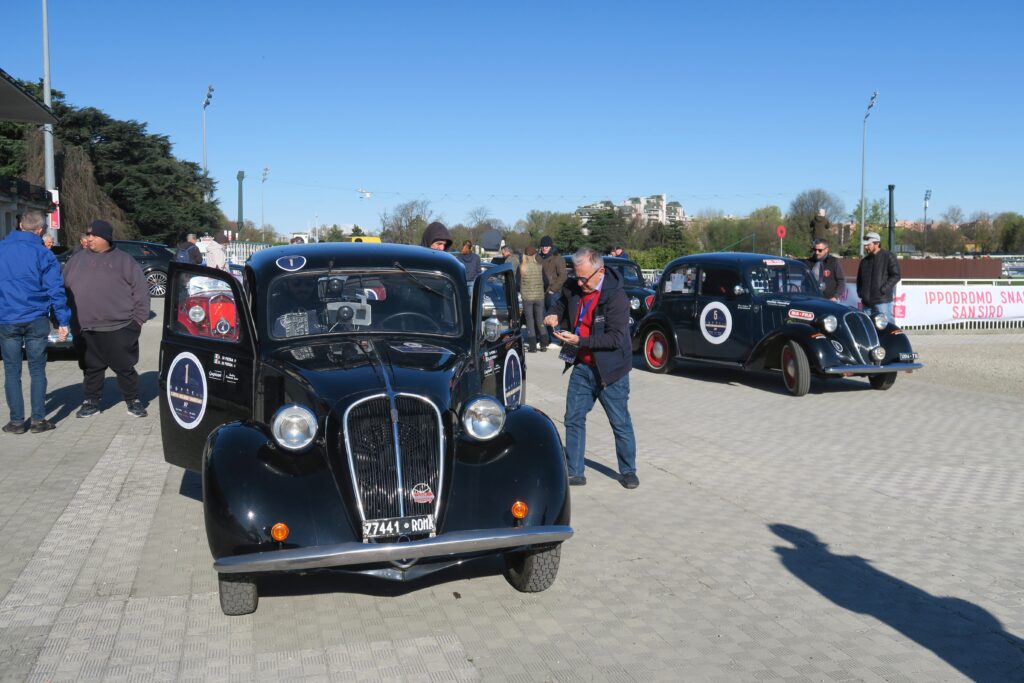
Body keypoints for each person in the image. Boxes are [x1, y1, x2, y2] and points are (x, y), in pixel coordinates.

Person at [543, 247, 638, 489]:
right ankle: (575, 471)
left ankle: (628, 470)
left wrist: (580, 340)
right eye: (577, 277)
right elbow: (561, 303)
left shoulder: (617, 298)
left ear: (600, 272)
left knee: (620, 422)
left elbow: (615, 339)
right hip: (583, 366)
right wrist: (553, 315)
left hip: (612, 371)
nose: (580, 283)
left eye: (584, 278)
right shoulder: (574, 286)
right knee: (573, 417)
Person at [63, 220, 151, 418]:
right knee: (91, 368)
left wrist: (138, 321)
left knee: (125, 367)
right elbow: (63, 289)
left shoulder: (124, 260)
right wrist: (66, 320)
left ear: (106, 237)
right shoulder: (76, 260)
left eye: (93, 235)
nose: (89, 238)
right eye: (88, 234)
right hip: (85, 327)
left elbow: (141, 291)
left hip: (120, 326)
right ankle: (91, 402)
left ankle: (133, 400)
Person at [0, 211, 71, 433]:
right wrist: (63, 321)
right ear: (40, 230)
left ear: (20, 225)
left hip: (7, 318)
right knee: (37, 369)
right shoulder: (43, 254)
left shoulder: (2, 249)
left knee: (11, 371)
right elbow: (55, 290)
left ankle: (16, 422)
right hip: (36, 317)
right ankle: (38, 420)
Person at [857, 231, 901, 323]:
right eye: (865, 245)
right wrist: (861, 293)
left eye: (868, 245)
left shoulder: (888, 256)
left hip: (882, 302)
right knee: (868, 328)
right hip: (866, 303)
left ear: (877, 243)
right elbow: (859, 279)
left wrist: (883, 290)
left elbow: (896, 275)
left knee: (886, 328)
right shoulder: (864, 261)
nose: (865, 247)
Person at [518, 245, 548, 352]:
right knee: (540, 320)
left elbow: (517, 283)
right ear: (535, 255)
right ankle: (544, 344)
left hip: (527, 298)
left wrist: (522, 290)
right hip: (539, 297)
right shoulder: (540, 266)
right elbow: (546, 281)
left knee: (530, 321)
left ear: (524, 255)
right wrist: (541, 290)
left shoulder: (521, 267)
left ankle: (533, 347)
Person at [538, 235, 567, 343]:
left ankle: (555, 340)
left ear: (551, 246)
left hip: (553, 293)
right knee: (543, 317)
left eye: (547, 246)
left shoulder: (558, 258)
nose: (544, 248)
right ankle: (545, 340)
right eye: (543, 246)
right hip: (541, 292)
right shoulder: (539, 258)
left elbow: (563, 276)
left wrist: (553, 289)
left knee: (553, 317)